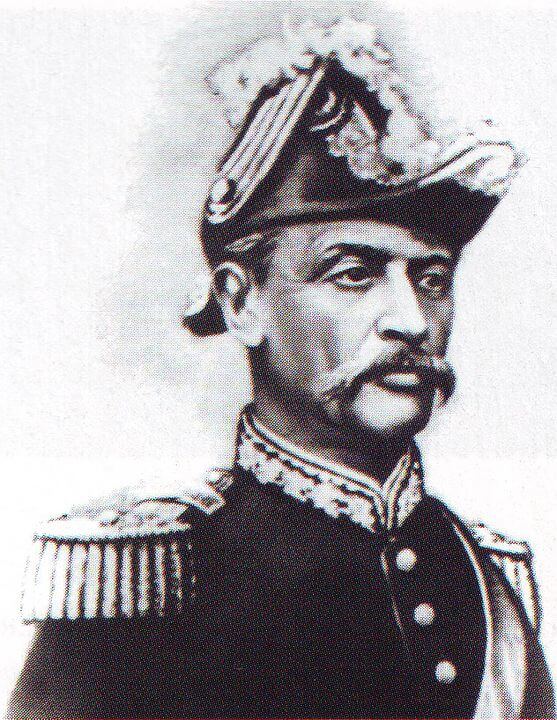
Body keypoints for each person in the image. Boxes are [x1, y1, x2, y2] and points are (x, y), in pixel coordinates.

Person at [8, 17, 555, 720]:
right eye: (354, 274)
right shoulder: (150, 582)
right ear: (242, 302)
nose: (413, 320)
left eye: (431, 278)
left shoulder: (482, 575)